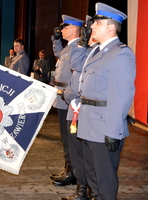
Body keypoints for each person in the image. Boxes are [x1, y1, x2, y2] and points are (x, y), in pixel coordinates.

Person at [77, 3, 136, 200]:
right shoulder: (95, 51)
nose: (92, 26)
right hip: (88, 124)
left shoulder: (121, 53)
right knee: (93, 175)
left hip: (104, 127)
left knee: (105, 180)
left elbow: (122, 95)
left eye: (97, 23)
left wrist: (113, 130)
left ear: (111, 26)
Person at [59, 36, 99, 200]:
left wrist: (66, 94)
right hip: (76, 110)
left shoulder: (92, 55)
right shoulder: (90, 54)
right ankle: (83, 190)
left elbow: (76, 80)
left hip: (81, 111)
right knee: (78, 153)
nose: (85, 38)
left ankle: (86, 191)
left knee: (82, 155)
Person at [50, 15, 84, 187]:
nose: (61, 30)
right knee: (65, 137)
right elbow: (57, 53)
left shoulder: (78, 48)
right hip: (62, 97)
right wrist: (56, 39)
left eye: (64, 28)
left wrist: (67, 94)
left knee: (70, 138)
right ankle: (68, 170)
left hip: (69, 98)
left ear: (73, 29)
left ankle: (73, 173)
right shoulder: (68, 48)